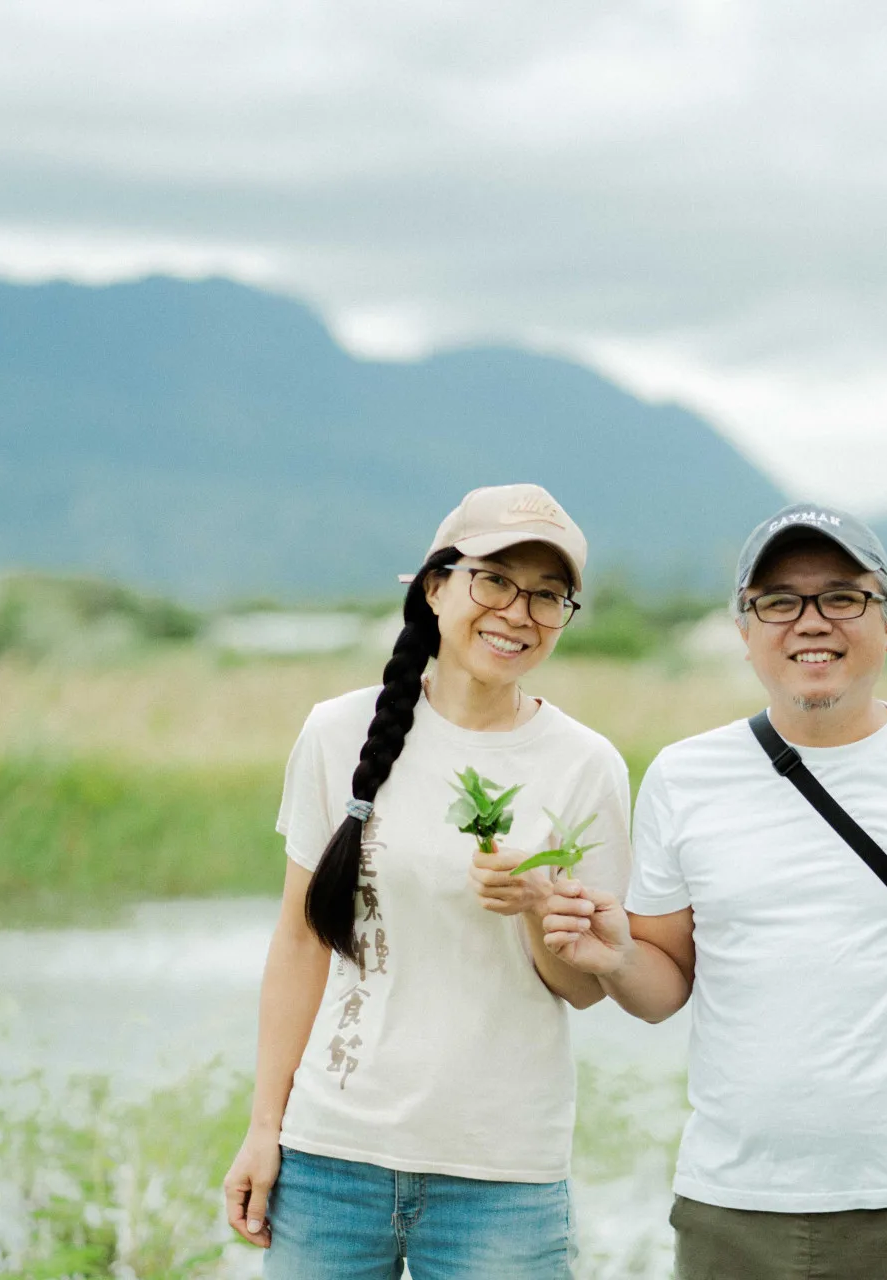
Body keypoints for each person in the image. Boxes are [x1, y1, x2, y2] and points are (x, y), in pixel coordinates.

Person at [542, 502, 887, 1280]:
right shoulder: (686, 777)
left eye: (842, 597)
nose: (810, 622)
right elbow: (660, 990)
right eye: (779, 602)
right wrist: (613, 959)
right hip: (732, 1208)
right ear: (746, 634)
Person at [221, 483, 632, 1279]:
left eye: (550, 596)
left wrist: (536, 907)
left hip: (503, 1174)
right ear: (435, 586)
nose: (519, 612)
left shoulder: (586, 764)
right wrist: (263, 1127)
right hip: (330, 1159)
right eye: (495, 580)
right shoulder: (337, 732)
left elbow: (584, 988)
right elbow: (302, 940)